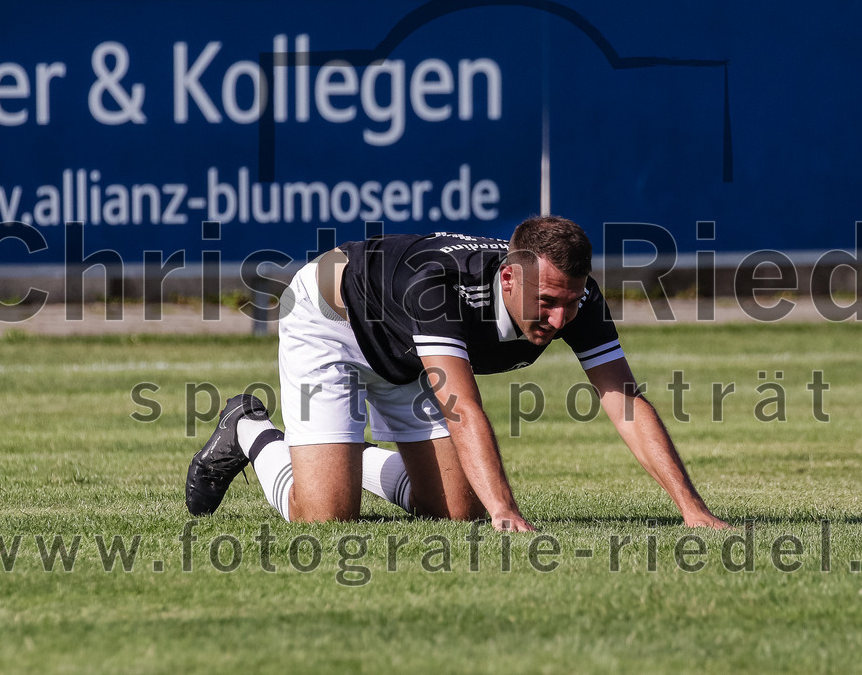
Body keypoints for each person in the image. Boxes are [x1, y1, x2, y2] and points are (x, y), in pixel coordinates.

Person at [185, 216, 728, 531]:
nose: (562, 319)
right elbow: (461, 407)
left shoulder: (574, 298)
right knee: (325, 518)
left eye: (571, 301)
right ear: (508, 278)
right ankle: (250, 429)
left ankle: (341, 453)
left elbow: (624, 400)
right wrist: (506, 511)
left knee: (456, 511)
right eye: (547, 302)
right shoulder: (440, 286)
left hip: (407, 348)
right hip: (330, 320)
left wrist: (692, 510)